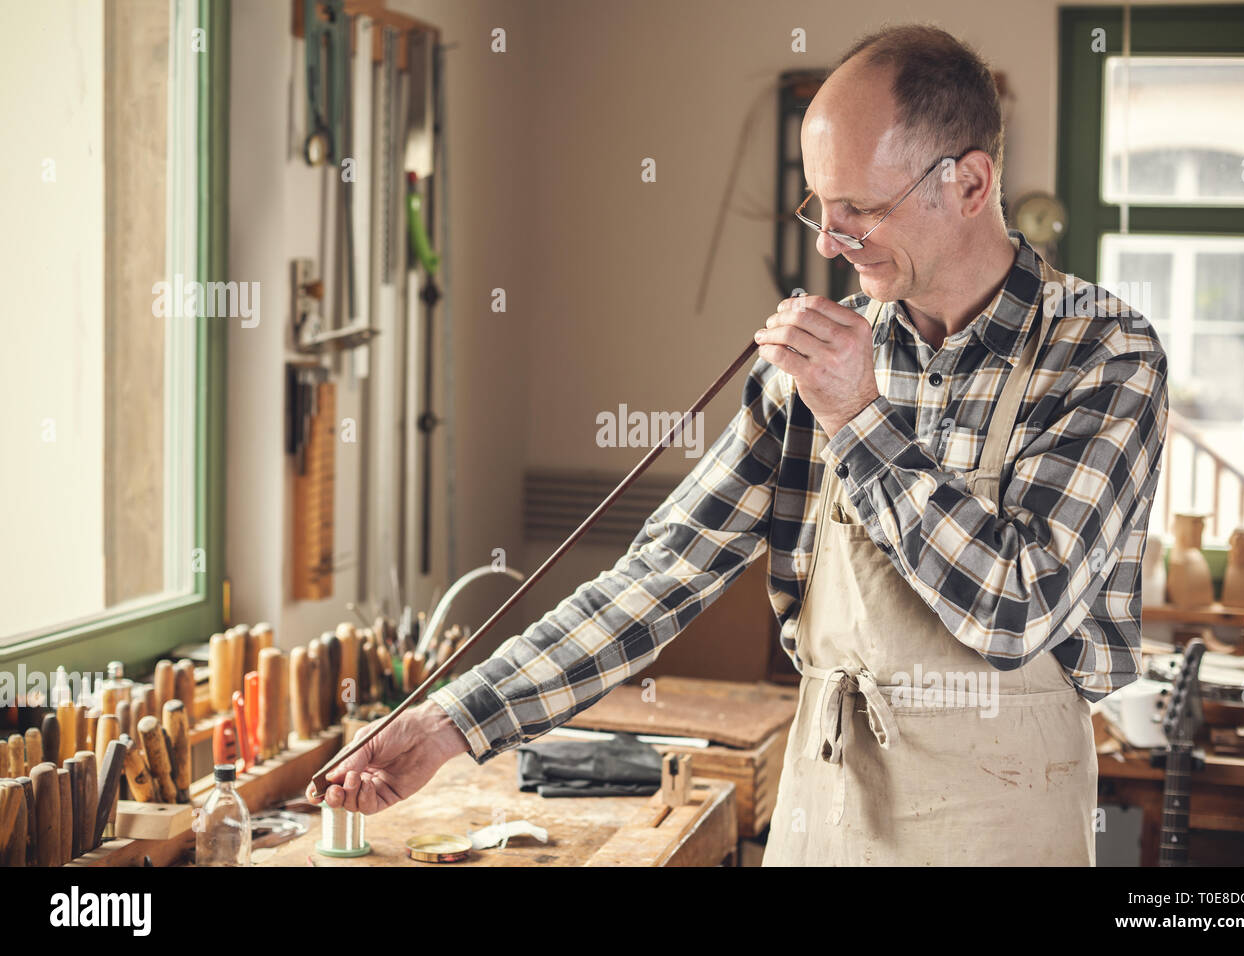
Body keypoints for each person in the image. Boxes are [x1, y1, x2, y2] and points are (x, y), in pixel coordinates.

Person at [308, 24, 1168, 866]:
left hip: (1002, 823)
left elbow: (1017, 608)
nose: (830, 241)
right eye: (819, 207)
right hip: (826, 809)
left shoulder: (1103, 354)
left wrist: (861, 418)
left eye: (861, 209)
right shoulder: (816, 368)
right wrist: (456, 721)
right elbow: (659, 578)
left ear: (971, 183)